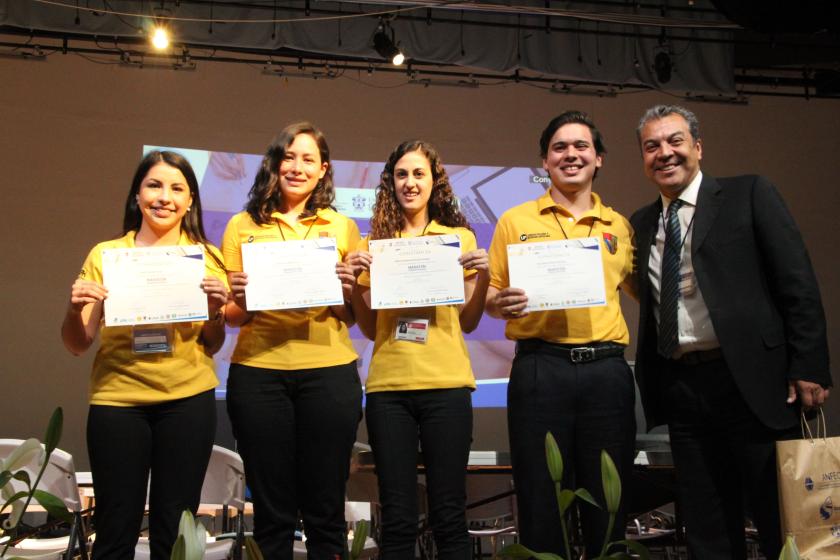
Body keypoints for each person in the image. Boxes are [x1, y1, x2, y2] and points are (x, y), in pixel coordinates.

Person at [630, 104, 832, 559]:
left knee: (781, 519)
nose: (665, 153)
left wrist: (809, 365)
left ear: (698, 147)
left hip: (756, 385)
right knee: (707, 527)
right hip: (683, 389)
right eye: (652, 146)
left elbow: (796, 282)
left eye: (675, 141)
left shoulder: (749, 194)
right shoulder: (640, 224)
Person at [61, 150, 229, 559]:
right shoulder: (106, 255)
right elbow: (77, 342)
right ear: (137, 195)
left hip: (187, 401)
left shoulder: (206, 257)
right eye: (154, 185)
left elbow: (212, 342)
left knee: (175, 527)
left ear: (190, 200)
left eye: (177, 188)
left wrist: (216, 312)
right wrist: (73, 306)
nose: (164, 196)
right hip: (118, 402)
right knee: (116, 524)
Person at [485, 111, 637, 556]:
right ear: (544, 162)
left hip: (606, 371)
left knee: (609, 501)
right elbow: (492, 294)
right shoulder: (514, 221)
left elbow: (645, 291)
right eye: (559, 148)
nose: (571, 155)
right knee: (540, 500)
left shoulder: (620, 226)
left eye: (581, 147)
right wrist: (500, 303)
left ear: (599, 159)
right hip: (539, 368)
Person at [221, 122, 362, 559]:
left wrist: (346, 290)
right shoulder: (242, 225)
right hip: (259, 374)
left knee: (325, 509)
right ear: (275, 163)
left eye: (308, 159)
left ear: (324, 170)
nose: (297, 167)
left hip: (329, 372)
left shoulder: (342, 227)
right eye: (289, 157)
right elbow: (230, 316)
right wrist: (243, 299)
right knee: (271, 509)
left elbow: (350, 315)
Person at [347, 140, 489, 559]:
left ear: (435, 182)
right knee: (398, 517)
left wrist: (482, 279)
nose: (410, 183)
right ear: (391, 183)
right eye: (402, 174)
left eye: (419, 174)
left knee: (449, 514)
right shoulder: (377, 245)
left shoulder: (457, 238)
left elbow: (468, 321)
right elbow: (371, 329)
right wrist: (356, 286)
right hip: (389, 390)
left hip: (447, 386)